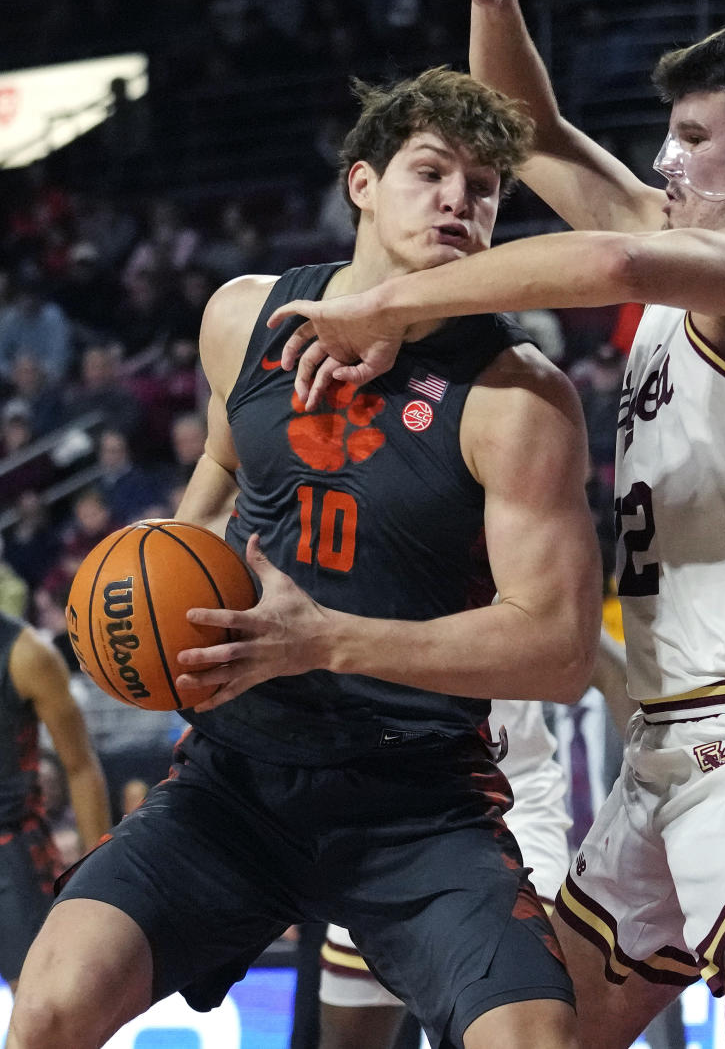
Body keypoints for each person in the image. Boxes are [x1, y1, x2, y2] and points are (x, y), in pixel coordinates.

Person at [262, 0, 725, 1049]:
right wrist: (493, 3)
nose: (663, 158)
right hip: (665, 752)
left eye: (690, 136)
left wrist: (399, 301)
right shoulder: (684, 251)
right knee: (525, 1034)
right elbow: (539, 133)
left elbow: (607, 265)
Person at [8, 67, 600, 1049]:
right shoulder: (242, 317)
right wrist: (141, 577)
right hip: (238, 781)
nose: (461, 197)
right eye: (431, 171)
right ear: (360, 182)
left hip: (417, 799)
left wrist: (323, 639)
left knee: (534, 1038)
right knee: (49, 1004)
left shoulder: (516, 396)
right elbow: (224, 459)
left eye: (487, 185)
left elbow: (560, 648)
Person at [318, 698, 571, 1049]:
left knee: (517, 1022)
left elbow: (584, 669)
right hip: (376, 807)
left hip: (511, 799)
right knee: (350, 1033)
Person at [0, 612, 111, 993]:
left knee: (44, 1011)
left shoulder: (26, 654)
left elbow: (80, 766)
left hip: (12, 855)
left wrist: (99, 880)